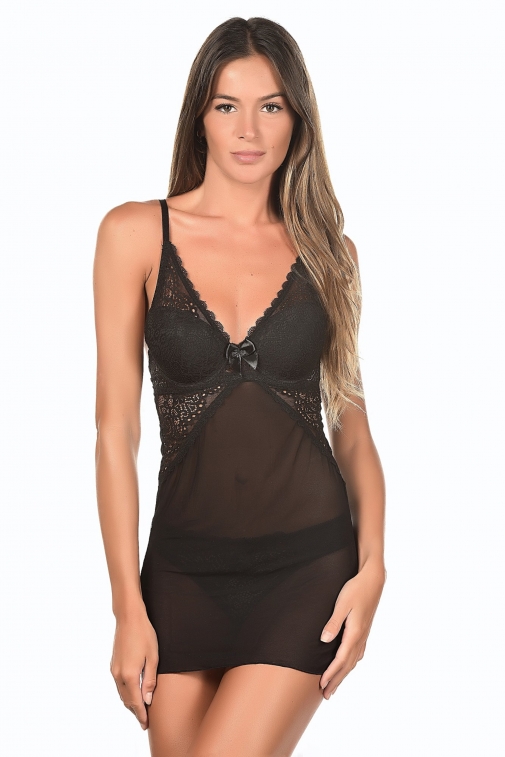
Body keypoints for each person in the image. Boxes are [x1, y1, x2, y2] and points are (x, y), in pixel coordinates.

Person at [93, 16, 386, 757]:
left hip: (306, 570)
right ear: (200, 116)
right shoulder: (134, 234)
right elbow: (114, 431)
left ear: (298, 119)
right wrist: (126, 605)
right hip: (180, 576)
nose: (248, 130)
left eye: (271, 106)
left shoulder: (331, 255)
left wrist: (374, 566)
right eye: (227, 105)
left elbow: (351, 427)